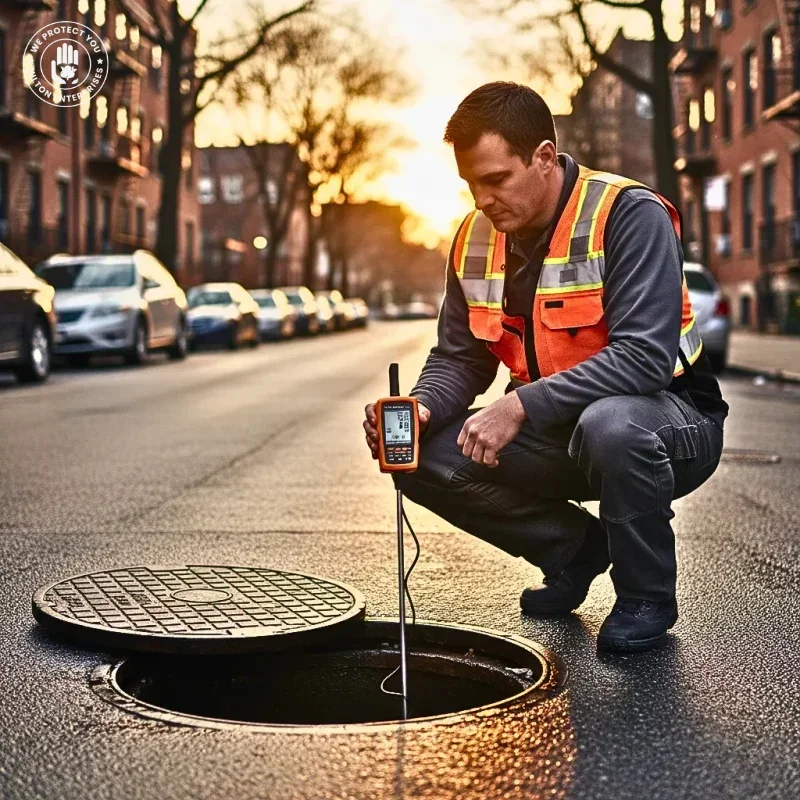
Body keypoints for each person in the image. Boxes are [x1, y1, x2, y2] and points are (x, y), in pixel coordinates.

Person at [363, 82, 728, 654]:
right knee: (418, 452)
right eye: (470, 184)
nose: (482, 199)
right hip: (559, 432)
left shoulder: (627, 214)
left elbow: (645, 359)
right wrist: (422, 406)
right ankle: (574, 550)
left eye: (496, 179)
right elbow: (461, 355)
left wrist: (520, 405)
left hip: (670, 424)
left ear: (542, 157)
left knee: (611, 426)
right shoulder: (473, 238)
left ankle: (645, 595)